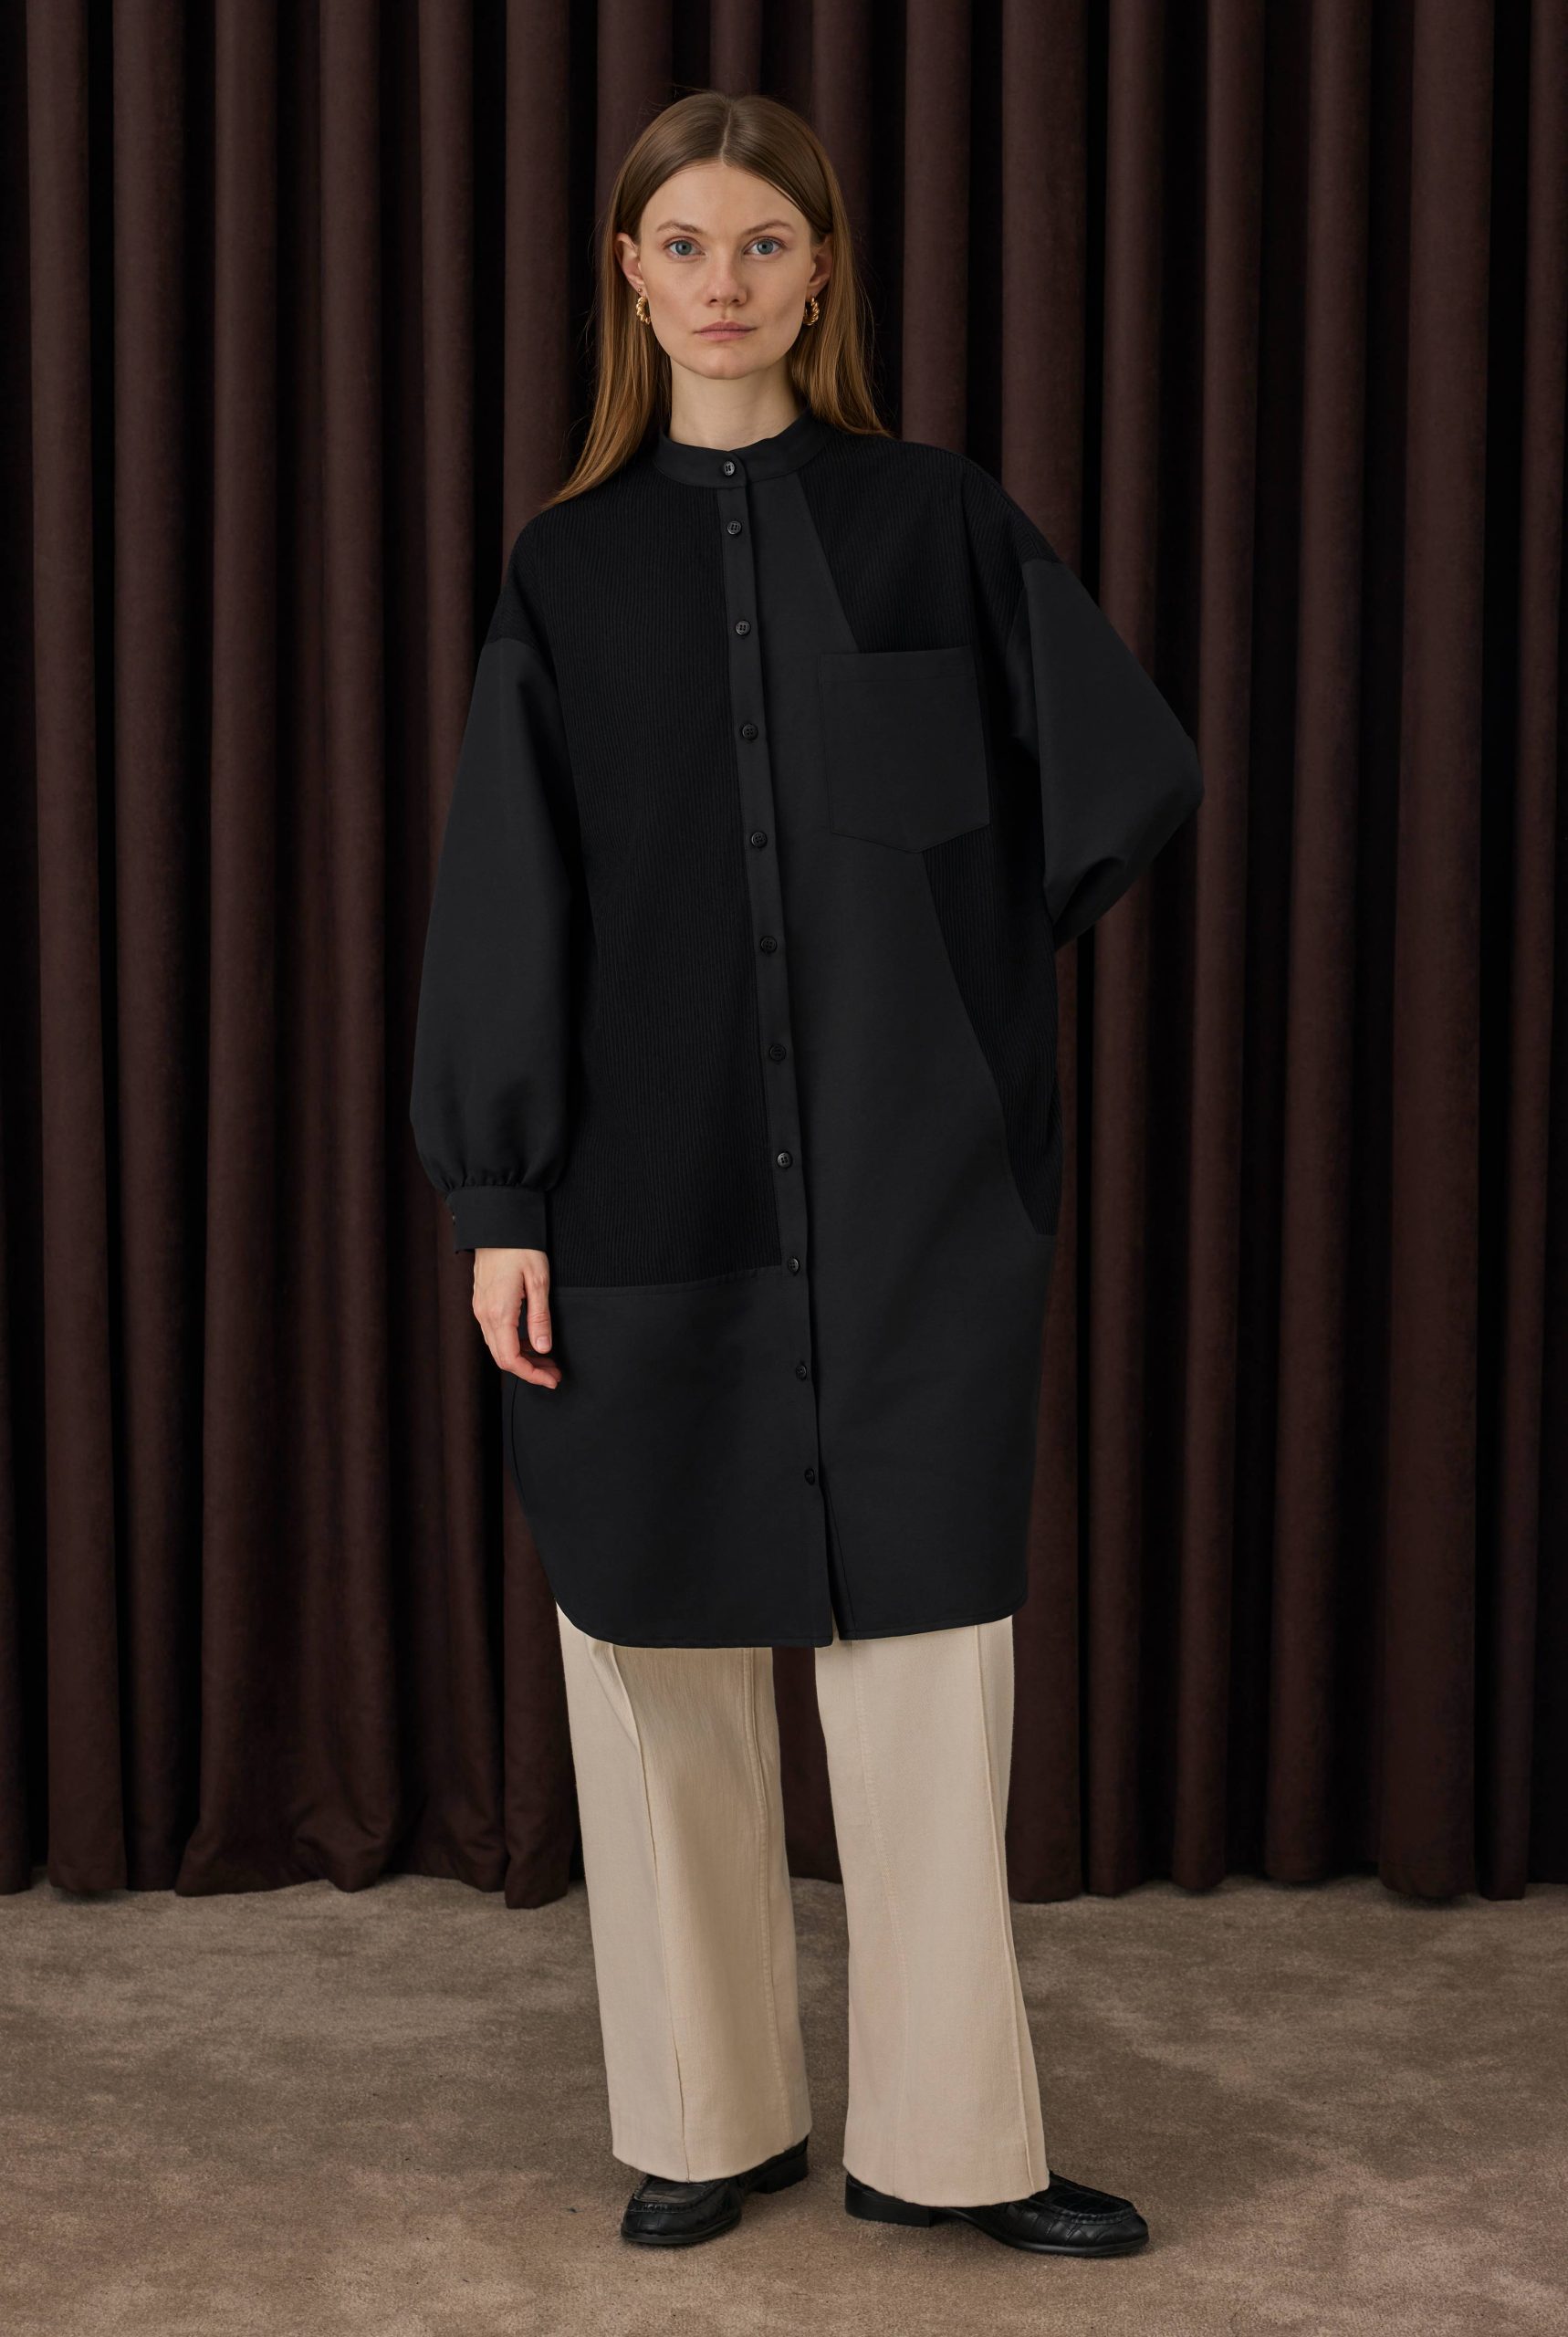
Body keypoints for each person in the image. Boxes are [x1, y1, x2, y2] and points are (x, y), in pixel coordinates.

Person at [410, 90, 1202, 2258]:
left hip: (914, 1196)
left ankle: (957, 2143)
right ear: (629, 275)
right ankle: (704, 2110)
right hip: (640, 1193)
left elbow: (1116, 773)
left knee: (927, 1674)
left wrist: (952, 999)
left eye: (764, 242)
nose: (724, 281)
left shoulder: (934, 520)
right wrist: (499, 1200)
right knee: (654, 1657)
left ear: (822, 270)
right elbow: (509, 897)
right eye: (683, 243)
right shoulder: (568, 569)